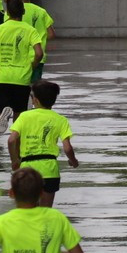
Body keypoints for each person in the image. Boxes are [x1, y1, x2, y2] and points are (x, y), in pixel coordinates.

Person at [8, 79, 77, 207]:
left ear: (36, 100)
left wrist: (15, 160)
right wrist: (73, 161)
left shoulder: (24, 116)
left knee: (28, 210)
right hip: (50, 170)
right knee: (46, 211)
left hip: (27, 170)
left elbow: (11, 140)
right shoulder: (60, 120)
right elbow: (67, 148)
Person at [0, 0, 42, 134]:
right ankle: (17, 143)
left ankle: (2, 116)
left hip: (2, 78)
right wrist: (33, 65)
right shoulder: (30, 30)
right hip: (21, 79)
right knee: (19, 116)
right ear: (23, 11)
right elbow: (39, 53)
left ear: (7, 13)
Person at [14, 0, 52, 82]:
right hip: (38, 56)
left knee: (21, 86)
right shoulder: (41, 11)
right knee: (35, 87)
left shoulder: (12, 13)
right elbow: (51, 34)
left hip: (19, 57)